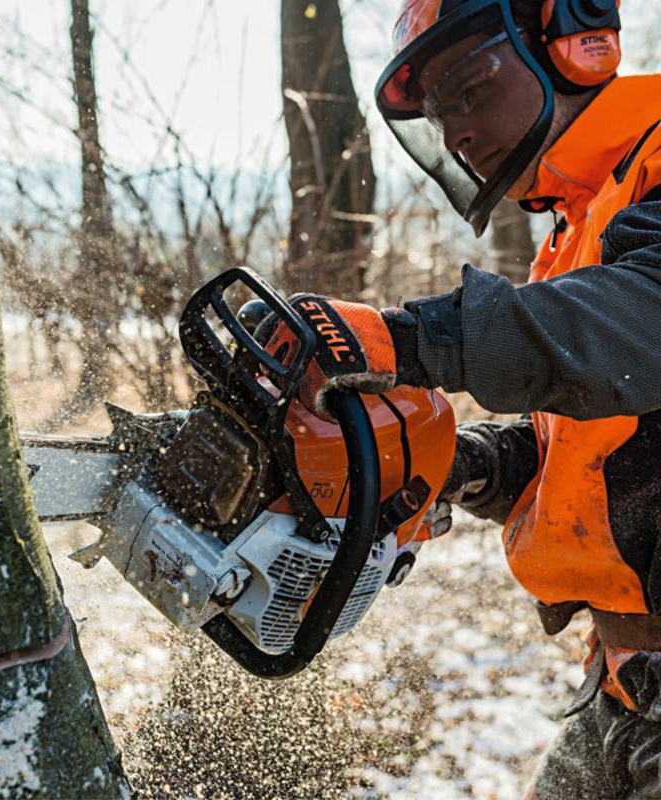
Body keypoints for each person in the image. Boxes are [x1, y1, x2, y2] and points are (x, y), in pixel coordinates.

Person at [262, 0, 661, 796]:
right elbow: (603, 442)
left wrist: (412, 341)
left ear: (572, 45)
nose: (455, 135)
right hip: (621, 684)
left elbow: (640, 328)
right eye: (440, 115)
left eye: (469, 91)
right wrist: (461, 463)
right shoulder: (585, 218)